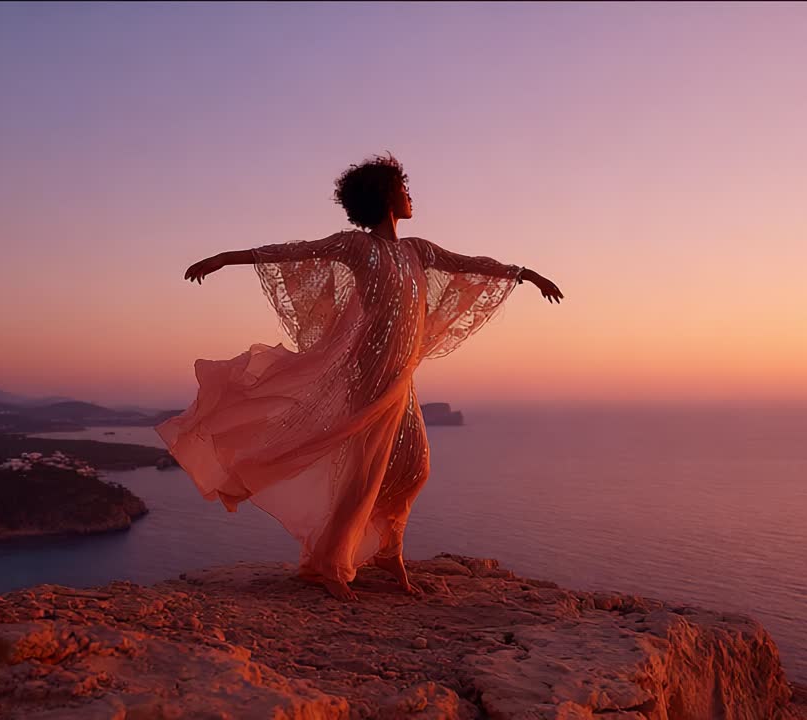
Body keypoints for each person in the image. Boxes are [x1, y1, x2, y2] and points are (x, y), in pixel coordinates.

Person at [156, 153, 563, 601]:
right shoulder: (356, 246)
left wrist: (525, 274)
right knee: (366, 470)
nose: (411, 195)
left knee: (413, 467)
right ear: (386, 195)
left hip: (401, 375)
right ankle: (329, 564)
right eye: (404, 188)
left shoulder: (417, 250)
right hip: (369, 373)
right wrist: (222, 258)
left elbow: (466, 263)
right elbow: (293, 251)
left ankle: (388, 551)